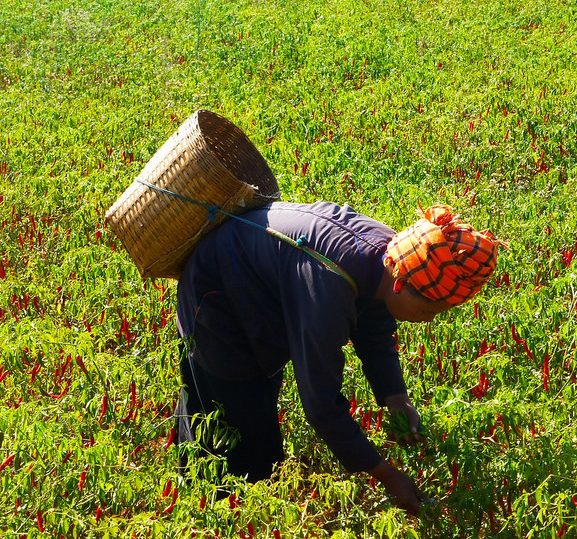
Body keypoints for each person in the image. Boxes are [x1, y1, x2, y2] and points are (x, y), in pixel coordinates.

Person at [174, 200, 506, 515]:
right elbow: (320, 403)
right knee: (240, 432)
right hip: (218, 298)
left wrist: (396, 398)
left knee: (242, 404)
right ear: (400, 285)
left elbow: (374, 325)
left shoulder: (391, 256)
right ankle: (211, 515)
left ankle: (200, 490)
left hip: (255, 282)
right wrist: (385, 474)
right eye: (427, 309)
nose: (428, 319)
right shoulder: (329, 288)